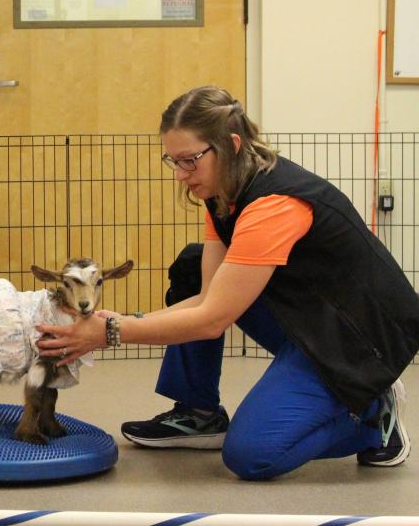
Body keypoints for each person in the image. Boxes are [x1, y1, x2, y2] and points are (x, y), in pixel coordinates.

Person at [38, 85, 419, 480]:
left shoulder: (274, 204)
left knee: (252, 456)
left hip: (360, 338)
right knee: (192, 265)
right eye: (172, 161)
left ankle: (374, 414)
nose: (180, 176)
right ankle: (197, 411)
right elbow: (207, 297)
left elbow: (211, 319)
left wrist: (111, 332)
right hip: (312, 314)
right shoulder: (223, 191)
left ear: (232, 145)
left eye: (190, 161)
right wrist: (120, 321)